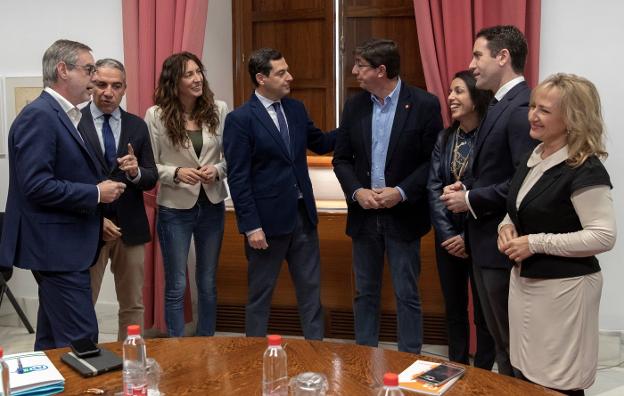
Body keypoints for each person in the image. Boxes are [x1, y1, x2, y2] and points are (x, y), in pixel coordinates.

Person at [0, 39, 125, 350]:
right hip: (57, 249)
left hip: (64, 247)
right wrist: (96, 193)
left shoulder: (63, 115)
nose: (94, 79)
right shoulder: (40, 115)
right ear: (62, 70)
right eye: (88, 70)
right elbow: (37, 185)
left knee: (53, 339)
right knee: (81, 341)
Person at [497, 74, 615, 396]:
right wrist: (505, 227)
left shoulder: (585, 168)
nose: (533, 115)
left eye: (544, 110)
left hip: (566, 291)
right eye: (533, 106)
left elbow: (603, 236)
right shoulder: (534, 157)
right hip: (525, 286)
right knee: (527, 373)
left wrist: (535, 242)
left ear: (572, 117)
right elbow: (520, 209)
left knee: (558, 381)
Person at [332, 38, 442, 353]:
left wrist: (402, 191)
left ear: (381, 70)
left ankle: (408, 359)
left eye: (360, 66)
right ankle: (364, 356)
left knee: (407, 292)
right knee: (364, 292)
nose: (354, 71)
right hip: (364, 216)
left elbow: (431, 161)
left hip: (404, 215)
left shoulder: (424, 104)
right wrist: (356, 191)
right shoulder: (354, 106)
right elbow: (341, 159)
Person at [440, 25, 536, 375]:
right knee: (499, 341)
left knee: (511, 346)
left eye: (477, 55)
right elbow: (493, 169)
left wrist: (472, 199)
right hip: (484, 243)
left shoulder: (520, 106)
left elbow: (523, 181)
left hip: (501, 244)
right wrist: (463, 188)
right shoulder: (499, 105)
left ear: (503, 56)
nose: (472, 63)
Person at [223, 48, 336, 339]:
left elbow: (321, 143)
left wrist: (359, 123)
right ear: (261, 78)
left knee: (311, 295)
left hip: (302, 218)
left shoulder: (296, 109)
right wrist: (251, 227)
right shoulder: (240, 119)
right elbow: (238, 178)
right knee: (260, 298)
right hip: (266, 224)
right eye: (281, 72)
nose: (290, 77)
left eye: (288, 70)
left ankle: (316, 355)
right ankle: (253, 359)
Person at [145, 52, 229, 337]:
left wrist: (216, 170)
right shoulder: (155, 115)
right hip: (174, 206)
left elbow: (232, 159)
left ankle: (207, 341)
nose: (197, 79)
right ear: (174, 81)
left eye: (198, 72)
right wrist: (176, 173)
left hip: (212, 204)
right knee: (177, 284)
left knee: (207, 281)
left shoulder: (219, 109)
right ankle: (176, 346)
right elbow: (150, 166)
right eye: (188, 74)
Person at [78, 58, 158, 341]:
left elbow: (151, 177)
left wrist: (136, 172)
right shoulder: (73, 123)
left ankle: (130, 361)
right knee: (83, 302)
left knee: (133, 303)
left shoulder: (136, 125)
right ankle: (87, 357)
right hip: (89, 226)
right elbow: (70, 180)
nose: (107, 92)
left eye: (116, 86)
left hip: (131, 227)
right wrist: (96, 219)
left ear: (125, 89)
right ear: (90, 86)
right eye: (101, 84)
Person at [427, 70, 495, 367]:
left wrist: (467, 238)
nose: (451, 98)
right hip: (447, 239)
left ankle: (483, 370)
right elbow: (433, 187)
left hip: (482, 235)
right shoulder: (445, 137)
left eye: (458, 92)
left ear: (476, 97)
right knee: (453, 308)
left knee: (484, 312)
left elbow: (493, 189)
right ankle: (455, 366)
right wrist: (447, 235)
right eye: (450, 92)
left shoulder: (492, 136)